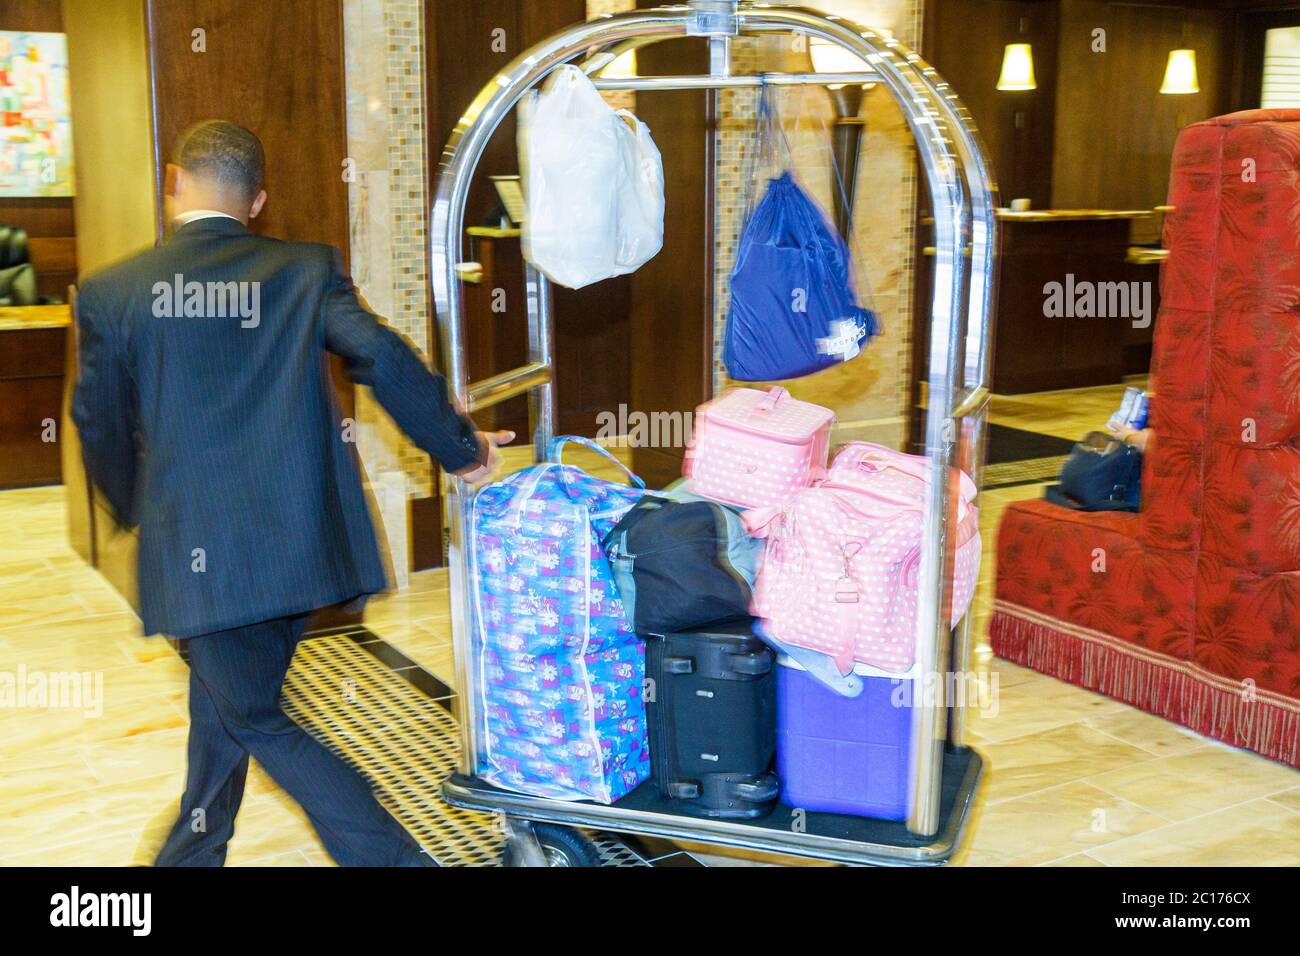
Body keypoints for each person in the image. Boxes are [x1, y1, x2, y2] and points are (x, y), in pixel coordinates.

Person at [72, 119, 511, 866]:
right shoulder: (306, 271)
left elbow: (98, 425)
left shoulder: (115, 291)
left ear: (174, 180)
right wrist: (460, 448)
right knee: (226, 707)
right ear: (258, 200)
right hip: (300, 547)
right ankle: (189, 853)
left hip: (204, 557)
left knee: (253, 715)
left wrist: (139, 514)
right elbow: (380, 351)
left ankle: (394, 859)